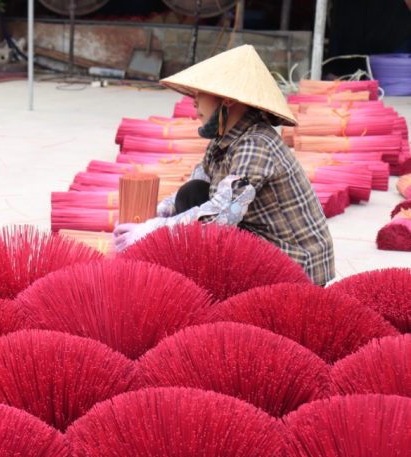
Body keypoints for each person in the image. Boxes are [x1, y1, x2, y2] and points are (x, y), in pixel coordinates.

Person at [112, 45, 335, 286]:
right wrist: (151, 217)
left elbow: (221, 214)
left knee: (204, 225)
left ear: (227, 100)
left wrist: (154, 232)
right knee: (192, 192)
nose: (194, 102)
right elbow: (193, 191)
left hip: (296, 267)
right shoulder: (223, 141)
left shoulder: (256, 144)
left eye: (200, 93)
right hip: (261, 245)